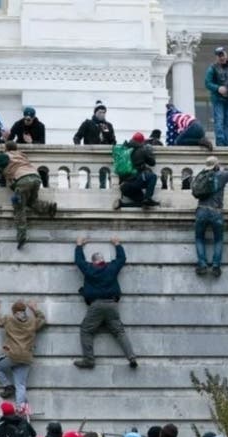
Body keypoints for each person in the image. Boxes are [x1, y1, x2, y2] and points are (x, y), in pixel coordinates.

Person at [73, 237, 137, 369]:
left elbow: (79, 261)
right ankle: (131, 357)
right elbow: (122, 259)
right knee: (119, 332)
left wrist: (79, 245)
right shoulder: (111, 267)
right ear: (103, 260)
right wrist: (117, 244)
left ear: (93, 261)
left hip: (96, 305)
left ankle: (89, 360)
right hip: (112, 304)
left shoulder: (89, 269)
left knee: (86, 330)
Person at [0, 141, 57, 249]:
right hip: (35, 178)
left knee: (19, 207)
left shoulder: (6, 156)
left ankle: (22, 235)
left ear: (6, 148)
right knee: (31, 201)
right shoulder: (22, 155)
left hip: (23, 180)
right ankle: (49, 207)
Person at [0, 299, 46, 411]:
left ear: (14, 312)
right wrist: (35, 309)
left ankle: (8, 386)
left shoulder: (8, 319)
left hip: (13, 355)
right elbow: (43, 320)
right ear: (24, 310)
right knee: (20, 385)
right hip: (26, 358)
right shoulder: (32, 322)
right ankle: (21, 409)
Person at [194, 149, 228, 277]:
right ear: (216, 165)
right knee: (218, 240)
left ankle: (202, 265)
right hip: (216, 212)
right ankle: (216, 266)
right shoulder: (221, 175)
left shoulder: (200, 176)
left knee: (199, 238)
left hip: (201, 210)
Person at [204, 46, 228, 147]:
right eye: (219, 55)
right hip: (218, 99)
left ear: (226, 54)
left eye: (223, 55)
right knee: (219, 120)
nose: (221, 57)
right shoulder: (212, 68)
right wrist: (218, 88)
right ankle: (220, 143)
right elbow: (207, 83)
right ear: (216, 57)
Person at [113, 132, 159, 209]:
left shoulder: (124, 149)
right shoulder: (142, 150)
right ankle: (148, 198)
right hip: (135, 181)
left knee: (142, 203)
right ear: (141, 142)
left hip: (124, 186)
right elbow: (152, 163)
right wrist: (149, 151)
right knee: (152, 177)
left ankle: (122, 205)